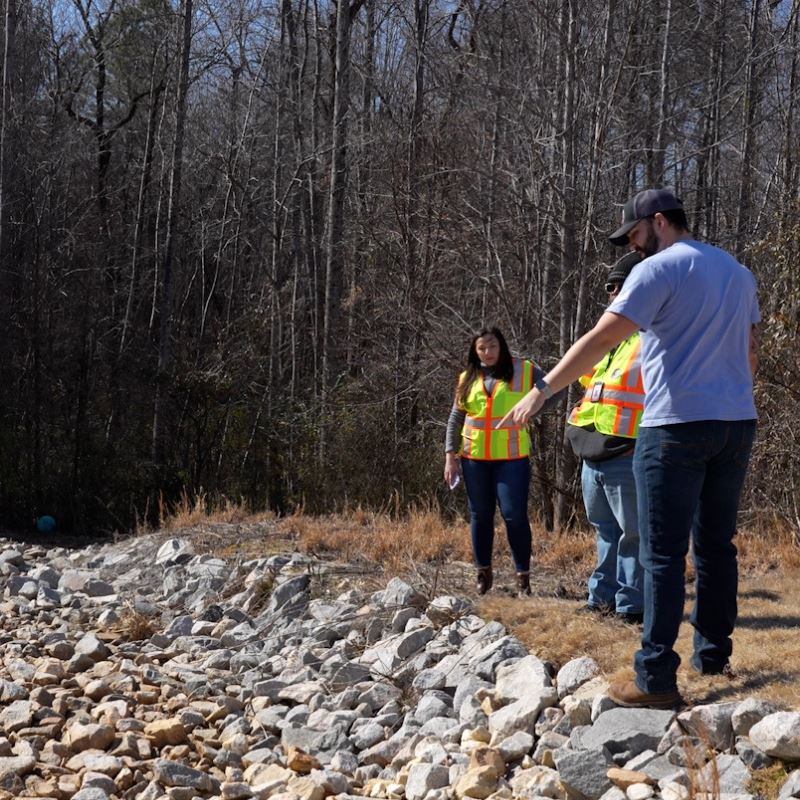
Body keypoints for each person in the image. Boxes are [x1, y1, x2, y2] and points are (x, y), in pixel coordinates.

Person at [500, 189, 759, 708]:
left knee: (662, 553)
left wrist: (542, 390)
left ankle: (655, 679)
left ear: (659, 221)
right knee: (716, 546)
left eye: (635, 235)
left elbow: (602, 339)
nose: (633, 246)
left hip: (674, 427)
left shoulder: (658, 269)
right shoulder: (736, 271)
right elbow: (750, 353)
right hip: (735, 423)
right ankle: (713, 657)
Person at [444, 327, 555, 597]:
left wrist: (533, 410)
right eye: (481, 348)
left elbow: (556, 388)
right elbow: (456, 418)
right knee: (480, 516)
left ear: (501, 345)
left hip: (511, 459)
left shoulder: (524, 370)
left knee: (514, 515)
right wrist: (450, 456)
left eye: (492, 346)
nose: (488, 352)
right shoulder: (467, 377)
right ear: (475, 351)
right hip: (474, 459)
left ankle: (523, 577)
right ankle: (483, 573)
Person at [566, 251, 645, 625]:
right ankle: (601, 599)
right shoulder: (613, 341)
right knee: (605, 532)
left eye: (618, 287)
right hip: (593, 451)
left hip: (627, 451)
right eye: (610, 288)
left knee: (633, 535)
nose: (611, 295)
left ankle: (632, 606)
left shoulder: (651, 339)